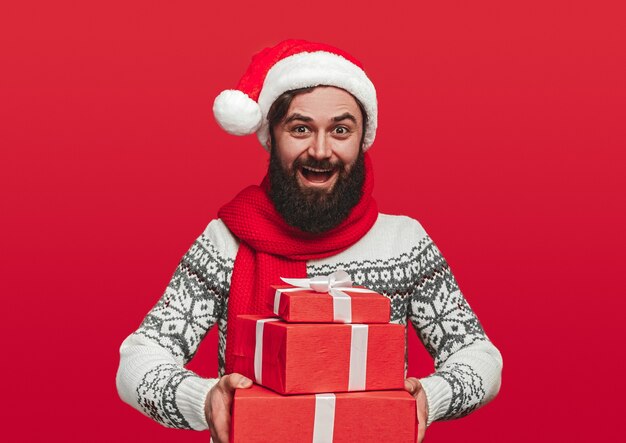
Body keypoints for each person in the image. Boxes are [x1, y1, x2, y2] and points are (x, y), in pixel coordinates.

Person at [116, 39, 503, 443]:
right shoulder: (226, 242)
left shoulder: (403, 243)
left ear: (362, 138)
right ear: (272, 136)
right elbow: (137, 362)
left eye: (340, 130)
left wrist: (431, 398)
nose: (320, 151)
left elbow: (480, 357)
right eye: (300, 129)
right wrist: (206, 399)